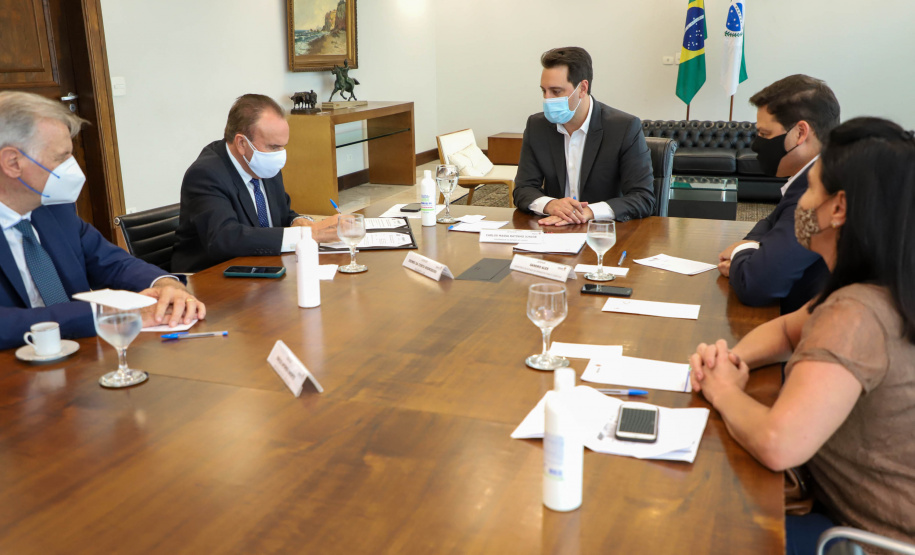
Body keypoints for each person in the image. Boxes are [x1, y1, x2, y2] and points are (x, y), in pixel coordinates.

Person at [690, 118, 915, 554]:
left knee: (708, 524)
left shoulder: (857, 314)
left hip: (863, 539)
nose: (800, 205)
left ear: (839, 208)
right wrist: (734, 360)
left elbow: (778, 443)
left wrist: (721, 389)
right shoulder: (881, 285)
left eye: (810, 189)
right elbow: (790, 328)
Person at [0, 92, 204, 350]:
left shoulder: (55, 210)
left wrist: (164, 284)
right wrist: (101, 314)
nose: (73, 167)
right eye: (61, 157)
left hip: (85, 360)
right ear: (12, 162)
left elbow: (113, 262)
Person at [171, 94, 338, 273]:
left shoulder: (262, 164)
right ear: (242, 143)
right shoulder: (206, 174)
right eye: (274, 147)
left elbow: (281, 215)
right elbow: (225, 238)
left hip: (261, 270)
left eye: (283, 146)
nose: (280, 155)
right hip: (210, 279)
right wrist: (307, 235)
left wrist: (299, 221)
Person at [718, 75, 838, 313]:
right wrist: (753, 245)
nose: (755, 145)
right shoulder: (813, 175)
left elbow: (756, 284)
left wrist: (743, 250)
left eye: (765, 134)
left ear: (800, 132)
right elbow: (771, 221)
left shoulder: (820, 191)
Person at [512, 47, 655, 225]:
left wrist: (589, 212)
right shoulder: (537, 126)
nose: (547, 99)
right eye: (544, 91)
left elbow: (643, 197)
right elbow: (523, 188)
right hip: (554, 230)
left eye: (556, 92)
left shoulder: (624, 127)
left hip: (606, 234)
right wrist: (550, 205)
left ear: (582, 88)